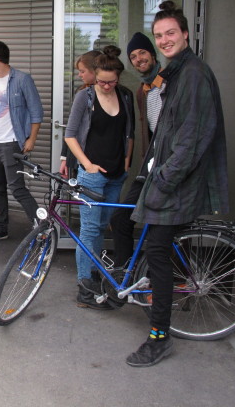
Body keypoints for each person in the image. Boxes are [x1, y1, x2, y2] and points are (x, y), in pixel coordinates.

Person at [126, 1, 228, 367]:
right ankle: (158, 321)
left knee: (156, 252)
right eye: (160, 35)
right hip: (167, 176)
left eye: (171, 33)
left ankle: (159, 337)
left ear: (185, 34)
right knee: (153, 247)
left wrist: (164, 178)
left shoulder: (194, 74)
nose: (165, 39)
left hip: (176, 182)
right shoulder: (177, 72)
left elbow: (195, 137)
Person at [64, 46, 134, 309]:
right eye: (102, 81)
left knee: (103, 226)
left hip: (117, 174)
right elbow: (70, 135)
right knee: (89, 230)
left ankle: (95, 275)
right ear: (95, 75)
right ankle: (85, 286)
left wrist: (126, 163)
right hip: (92, 175)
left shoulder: (125, 95)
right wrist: (87, 165)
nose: (106, 86)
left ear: (118, 78)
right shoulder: (86, 97)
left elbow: (130, 133)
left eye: (111, 81)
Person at [0, 40, 43, 243]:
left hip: (11, 143)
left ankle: (42, 226)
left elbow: (36, 112)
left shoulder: (22, 79)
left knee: (17, 188)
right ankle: (1, 229)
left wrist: (31, 138)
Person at [110, 32, 164, 268]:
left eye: (142, 52)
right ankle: (124, 275)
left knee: (161, 231)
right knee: (121, 218)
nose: (139, 59)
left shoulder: (171, 83)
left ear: (152, 54)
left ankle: (162, 280)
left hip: (171, 165)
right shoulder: (144, 91)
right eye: (133, 56)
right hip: (152, 164)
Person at [59, 50, 101, 179]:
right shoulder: (82, 93)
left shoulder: (117, 94)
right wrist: (65, 157)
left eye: (82, 71)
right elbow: (71, 127)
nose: (79, 75)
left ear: (95, 71)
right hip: (78, 157)